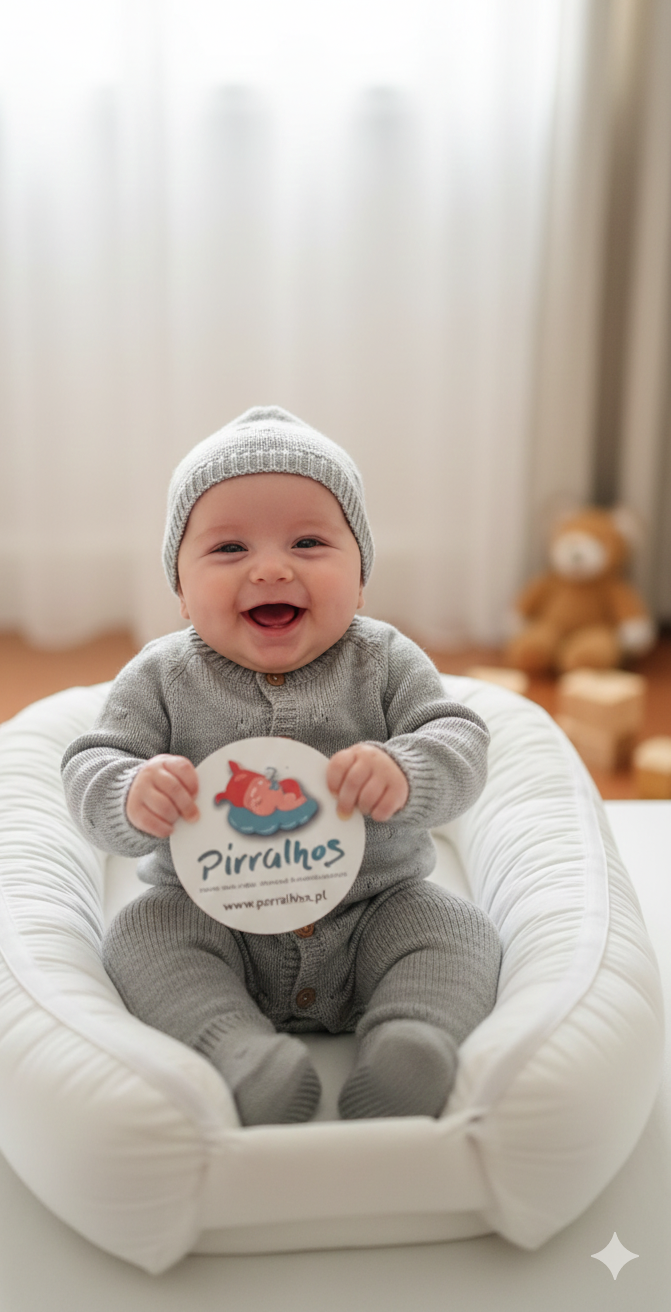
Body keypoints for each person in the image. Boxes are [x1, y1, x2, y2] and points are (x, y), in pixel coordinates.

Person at [62, 406, 501, 1126]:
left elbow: (458, 737)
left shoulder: (384, 660)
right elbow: (92, 762)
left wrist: (407, 770)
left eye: (308, 541)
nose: (271, 567)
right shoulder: (161, 677)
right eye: (229, 549)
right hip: (211, 916)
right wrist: (131, 793)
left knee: (457, 931)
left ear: (361, 576)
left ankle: (412, 1042)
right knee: (140, 936)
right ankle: (237, 1051)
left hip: (372, 907)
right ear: (179, 587)